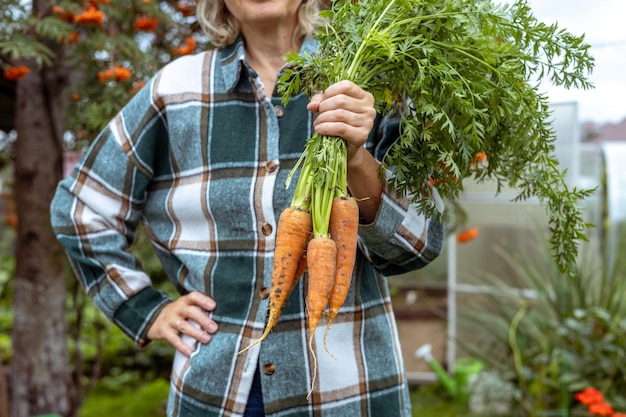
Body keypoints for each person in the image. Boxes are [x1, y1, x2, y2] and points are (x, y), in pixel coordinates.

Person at [50, 0, 444, 416]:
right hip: (215, 391)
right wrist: (144, 310)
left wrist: (357, 159)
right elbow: (82, 209)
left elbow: (420, 244)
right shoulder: (175, 91)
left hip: (348, 392)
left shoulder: (367, 82)